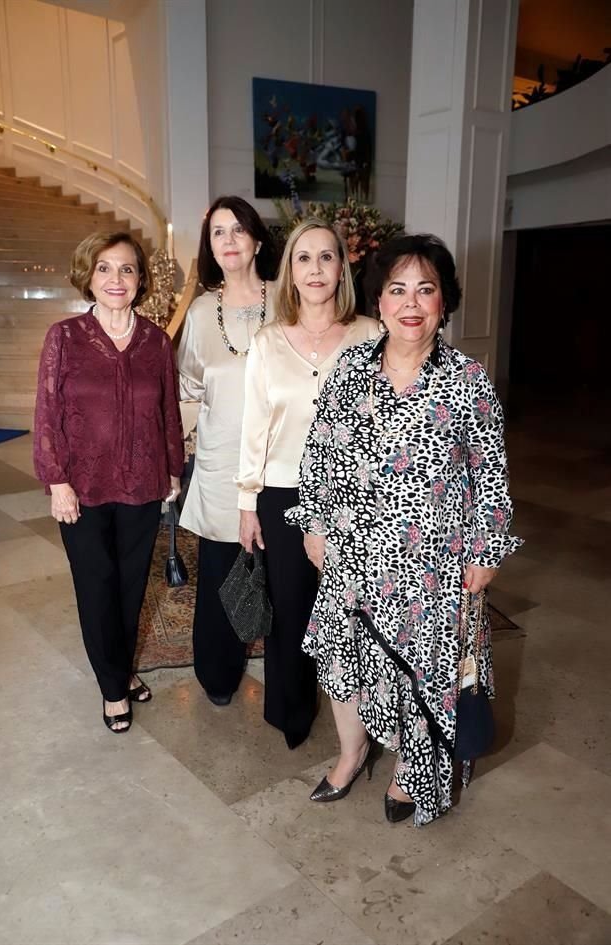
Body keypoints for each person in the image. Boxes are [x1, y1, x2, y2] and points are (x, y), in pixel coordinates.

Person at [287, 233, 522, 821]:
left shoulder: (468, 380)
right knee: (343, 662)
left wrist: (486, 550)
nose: (411, 303)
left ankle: (409, 772)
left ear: (444, 301)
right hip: (351, 552)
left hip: (431, 565)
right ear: (379, 300)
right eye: (397, 290)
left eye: (425, 289)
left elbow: (490, 473)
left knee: (421, 673)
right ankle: (351, 753)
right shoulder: (350, 370)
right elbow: (318, 453)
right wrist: (314, 523)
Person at [237, 218, 380, 749]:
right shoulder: (267, 341)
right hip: (283, 493)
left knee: (359, 613)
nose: (315, 269)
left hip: (356, 496)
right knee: (291, 607)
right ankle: (292, 711)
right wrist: (247, 503)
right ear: (289, 272)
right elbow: (254, 427)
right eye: (303, 258)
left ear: (342, 268)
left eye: (326, 257)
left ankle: (369, 719)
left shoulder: (372, 334)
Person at [34, 232, 184, 733]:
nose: (115, 279)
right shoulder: (65, 337)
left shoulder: (156, 342)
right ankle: (113, 689)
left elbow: (168, 411)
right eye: (104, 268)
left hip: (142, 483)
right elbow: (47, 412)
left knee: (130, 587)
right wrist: (56, 480)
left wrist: (172, 469)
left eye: (126, 269)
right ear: (89, 276)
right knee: (96, 586)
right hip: (82, 488)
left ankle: (121, 670)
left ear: (140, 280)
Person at [177, 196, 278, 706]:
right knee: (220, 573)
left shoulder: (289, 300)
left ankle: (288, 686)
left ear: (257, 239)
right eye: (218, 232)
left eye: (238, 229)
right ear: (210, 246)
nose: (229, 240)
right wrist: (174, 461)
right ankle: (217, 673)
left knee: (283, 575)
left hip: (281, 464)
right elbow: (188, 391)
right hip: (220, 466)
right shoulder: (200, 312)